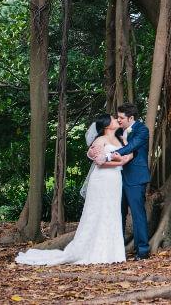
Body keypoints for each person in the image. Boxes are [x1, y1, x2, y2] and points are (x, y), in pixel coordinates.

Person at [15, 115, 132, 265]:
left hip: (115, 180)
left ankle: (112, 252)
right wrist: (118, 162)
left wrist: (122, 160)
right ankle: (95, 251)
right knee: (98, 212)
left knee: (112, 211)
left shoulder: (121, 139)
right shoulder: (99, 141)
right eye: (113, 119)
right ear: (107, 125)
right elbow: (98, 163)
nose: (116, 119)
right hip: (102, 180)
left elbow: (129, 154)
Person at [96, 102, 151, 260]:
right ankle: (116, 250)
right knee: (117, 214)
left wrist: (107, 156)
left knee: (137, 214)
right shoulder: (118, 130)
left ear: (131, 117)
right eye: (118, 117)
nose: (118, 120)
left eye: (121, 117)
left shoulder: (142, 130)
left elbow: (131, 147)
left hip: (135, 178)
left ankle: (142, 251)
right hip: (117, 179)